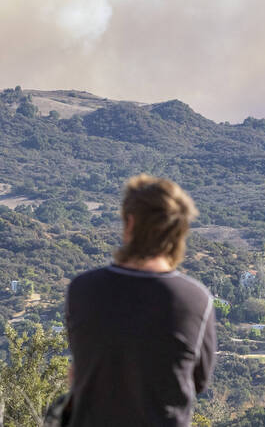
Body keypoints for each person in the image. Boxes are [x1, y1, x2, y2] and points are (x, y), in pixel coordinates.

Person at [65, 174, 216, 426]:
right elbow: (198, 381)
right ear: (179, 231)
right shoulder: (195, 300)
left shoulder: (82, 289)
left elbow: (80, 367)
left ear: (130, 223)